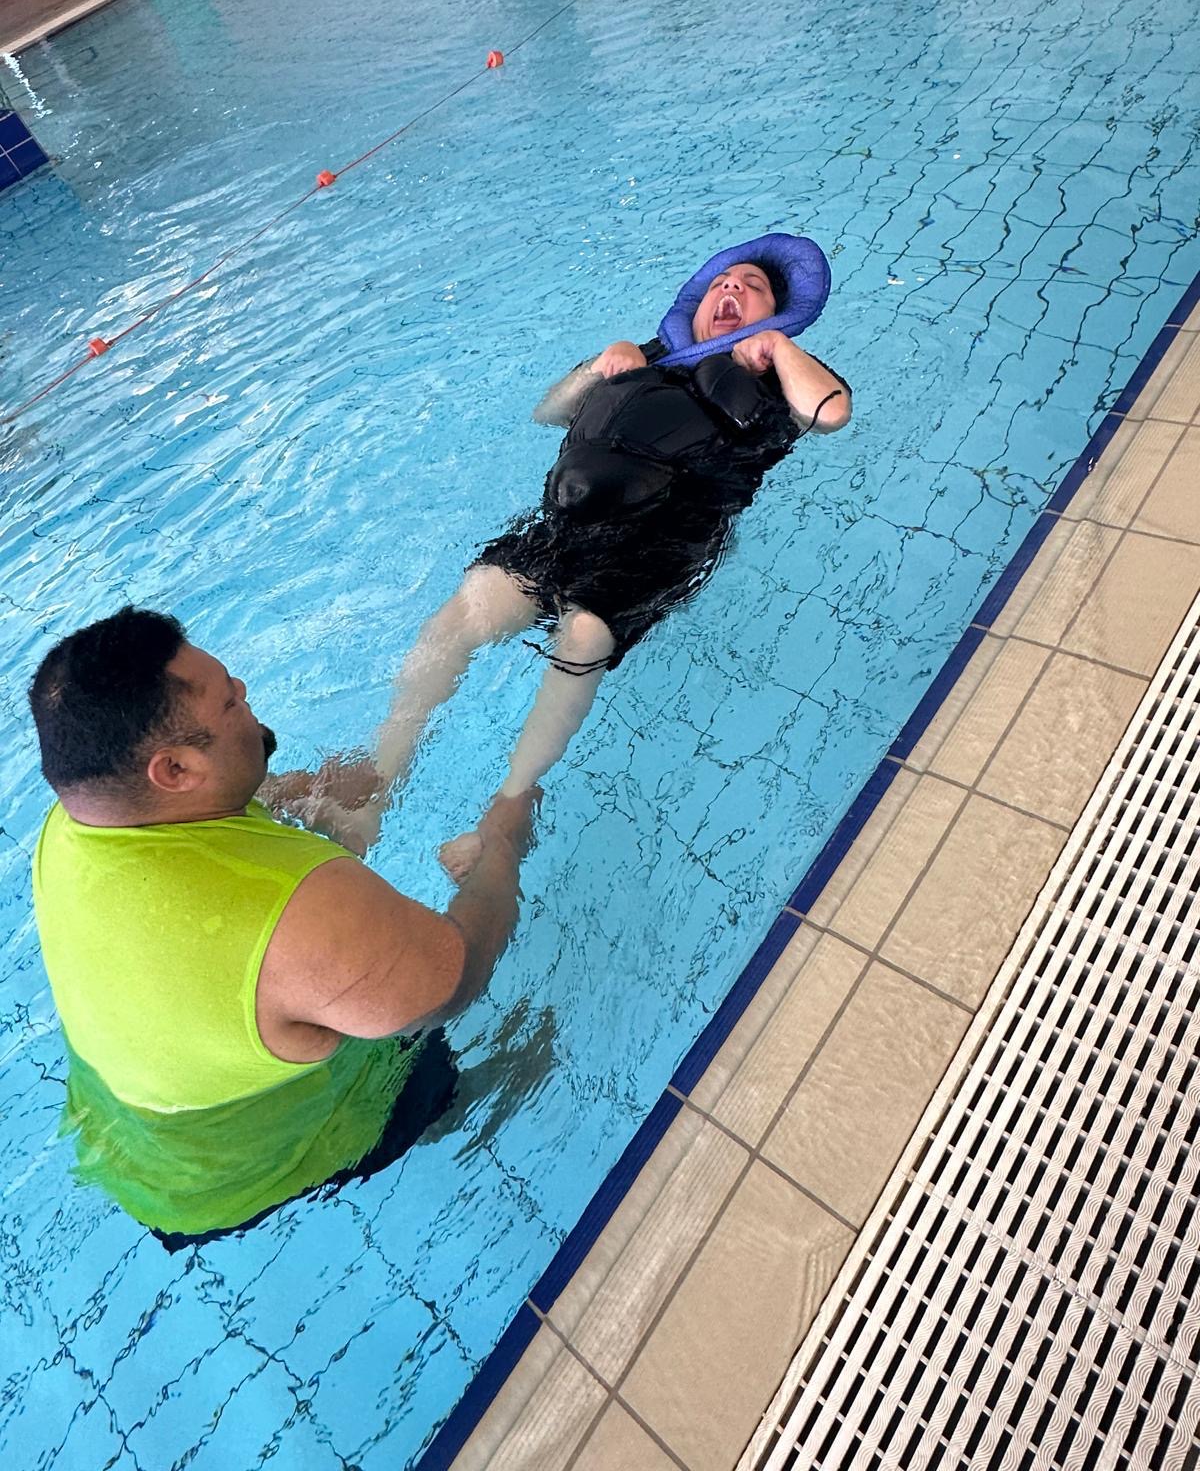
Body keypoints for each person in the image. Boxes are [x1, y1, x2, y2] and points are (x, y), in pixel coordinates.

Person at [304, 238, 851, 877]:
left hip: (665, 541)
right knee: (467, 609)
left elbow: (832, 413)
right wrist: (601, 363)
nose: (730, 289)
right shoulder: (647, 357)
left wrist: (780, 347)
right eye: (720, 282)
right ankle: (376, 784)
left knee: (586, 632)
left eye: (751, 285)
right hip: (569, 529)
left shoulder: (776, 377)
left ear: (777, 311)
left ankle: (505, 813)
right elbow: (549, 412)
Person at [27, 607, 540, 1244]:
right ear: (178, 771)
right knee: (463, 1071)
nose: (247, 699)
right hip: (240, 1172)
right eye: (230, 702)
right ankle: (454, 1109)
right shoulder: (299, 915)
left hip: (123, 1138)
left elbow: (257, 800)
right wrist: (504, 846)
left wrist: (354, 782)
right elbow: (453, 976)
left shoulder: (74, 825)